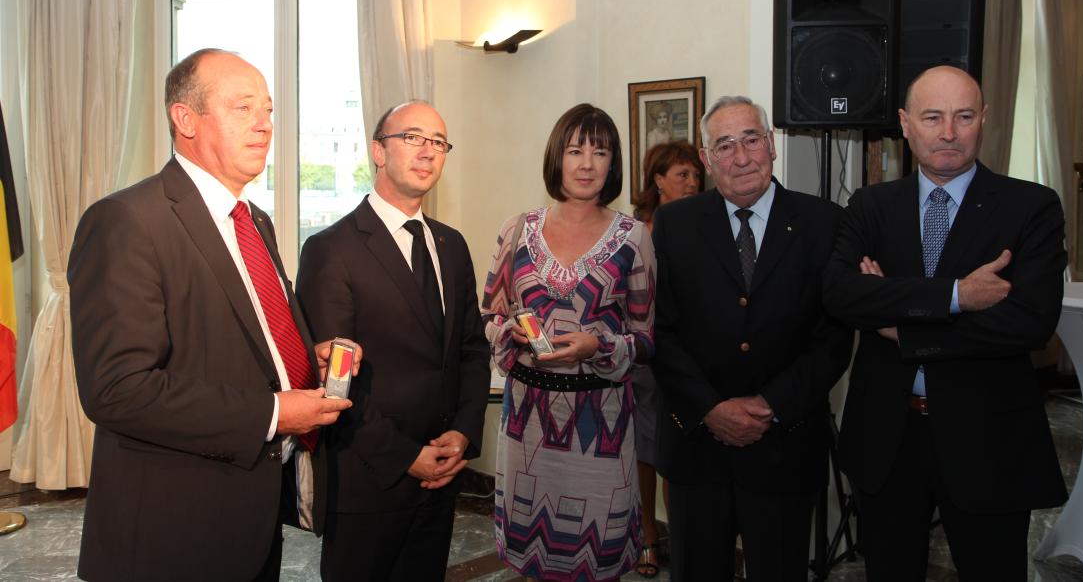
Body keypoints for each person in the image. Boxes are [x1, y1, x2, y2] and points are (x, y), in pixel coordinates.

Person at [69, 48, 356, 581]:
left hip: (252, 517)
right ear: (186, 119)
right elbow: (117, 389)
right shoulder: (127, 221)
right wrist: (271, 412)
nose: (265, 125)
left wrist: (306, 363)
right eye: (243, 108)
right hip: (171, 530)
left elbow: (251, 337)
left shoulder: (255, 220)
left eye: (268, 110)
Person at [824, 65, 1068, 580]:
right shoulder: (870, 206)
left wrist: (899, 322)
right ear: (905, 124)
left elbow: (1029, 322)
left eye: (962, 116)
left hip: (990, 440)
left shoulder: (1031, 207)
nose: (949, 132)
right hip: (888, 439)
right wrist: (959, 295)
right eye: (932, 117)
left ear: (984, 120)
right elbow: (842, 295)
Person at [652, 95, 853, 581]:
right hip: (697, 447)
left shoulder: (822, 222)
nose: (741, 157)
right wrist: (712, 409)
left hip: (784, 448)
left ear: (772, 145)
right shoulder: (675, 225)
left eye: (751, 140)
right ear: (706, 159)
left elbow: (833, 338)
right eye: (724, 145)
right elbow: (661, 330)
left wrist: (769, 404)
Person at [296, 100, 491, 582]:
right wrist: (408, 458)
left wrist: (463, 433)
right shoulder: (330, 250)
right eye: (412, 138)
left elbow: (470, 348)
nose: (427, 152)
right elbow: (334, 385)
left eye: (438, 142)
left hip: (442, 471)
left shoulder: (451, 244)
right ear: (378, 152)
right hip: (370, 479)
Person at [482, 103, 655, 580]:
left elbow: (645, 339)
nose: (585, 164)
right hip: (527, 427)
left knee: (597, 562)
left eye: (600, 152)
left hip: (599, 428)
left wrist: (597, 348)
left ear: (613, 162)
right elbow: (488, 315)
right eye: (575, 150)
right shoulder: (516, 230)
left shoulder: (634, 237)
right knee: (532, 563)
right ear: (556, 156)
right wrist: (509, 332)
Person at [630, 140, 702, 577]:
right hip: (640, 355)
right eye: (682, 175)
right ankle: (646, 540)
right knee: (643, 451)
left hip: (684, 355)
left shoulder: (701, 227)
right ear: (658, 181)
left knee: (679, 451)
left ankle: (686, 538)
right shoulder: (635, 231)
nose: (693, 183)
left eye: (696, 175)